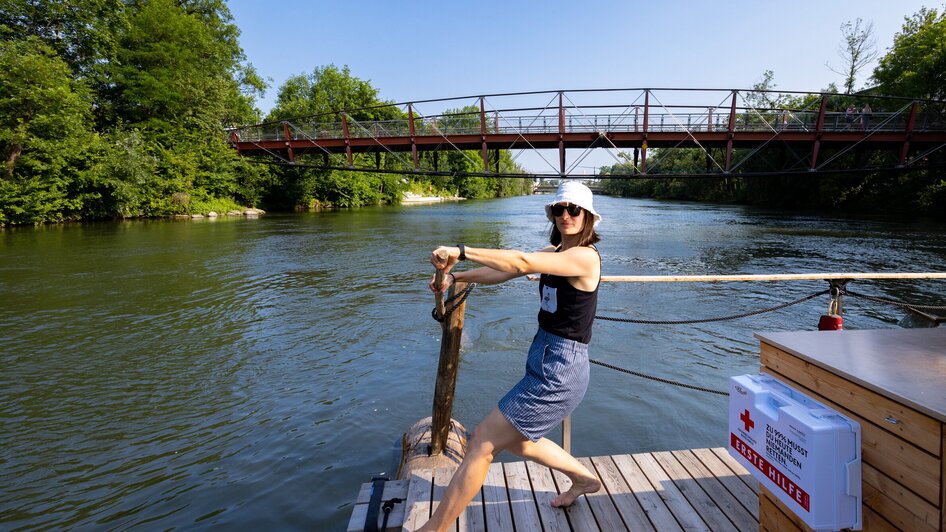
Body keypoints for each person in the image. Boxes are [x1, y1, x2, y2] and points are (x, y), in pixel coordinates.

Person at [420, 181, 603, 531]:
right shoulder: (554, 253)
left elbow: (520, 259)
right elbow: (509, 270)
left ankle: (434, 529)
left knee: (482, 443)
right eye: (559, 209)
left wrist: (462, 249)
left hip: (561, 369)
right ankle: (583, 479)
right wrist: (456, 277)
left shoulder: (584, 256)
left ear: (588, 217)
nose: (566, 215)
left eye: (574, 209)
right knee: (518, 441)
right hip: (545, 357)